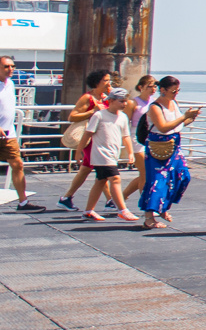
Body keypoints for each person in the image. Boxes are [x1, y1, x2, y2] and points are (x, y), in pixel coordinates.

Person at [137, 76, 200, 229]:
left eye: (178, 90)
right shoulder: (155, 107)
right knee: (157, 181)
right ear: (163, 90)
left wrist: (190, 118)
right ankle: (149, 217)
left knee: (182, 176)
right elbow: (163, 127)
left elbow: (177, 124)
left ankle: (163, 206)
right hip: (158, 145)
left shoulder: (174, 103)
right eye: (173, 91)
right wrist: (184, 117)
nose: (176, 93)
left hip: (174, 144)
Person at [55, 70, 113, 211]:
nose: (108, 83)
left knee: (94, 168)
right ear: (97, 82)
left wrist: (112, 96)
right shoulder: (88, 98)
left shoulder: (106, 98)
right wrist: (92, 111)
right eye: (106, 80)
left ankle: (67, 198)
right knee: (95, 167)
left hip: (101, 137)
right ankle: (110, 200)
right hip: (90, 138)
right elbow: (72, 116)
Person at [81, 88, 139, 222]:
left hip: (113, 154)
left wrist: (130, 152)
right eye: (121, 101)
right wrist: (79, 151)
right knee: (115, 179)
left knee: (101, 181)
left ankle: (88, 211)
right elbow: (88, 134)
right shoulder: (99, 115)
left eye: (125, 101)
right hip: (101, 154)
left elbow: (126, 136)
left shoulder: (123, 117)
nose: (125, 104)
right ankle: (122, 210)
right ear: (111, 101)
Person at [119, 75, 159, 206]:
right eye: (149, 86)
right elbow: (124, 122)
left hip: (150, 136)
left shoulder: (155, 102)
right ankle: (146, 204)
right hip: (135, 137)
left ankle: (121, 197)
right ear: (141, 87)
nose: (153, 89)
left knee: (147, 173)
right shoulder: (133, 103)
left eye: (154, 86)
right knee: (145, 172)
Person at [0, 55, 31, 209]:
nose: (10, 69)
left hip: (8, 133)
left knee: (17, 164)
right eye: (6, 66)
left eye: (12, 66)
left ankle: (23, 202)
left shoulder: (11, 84)